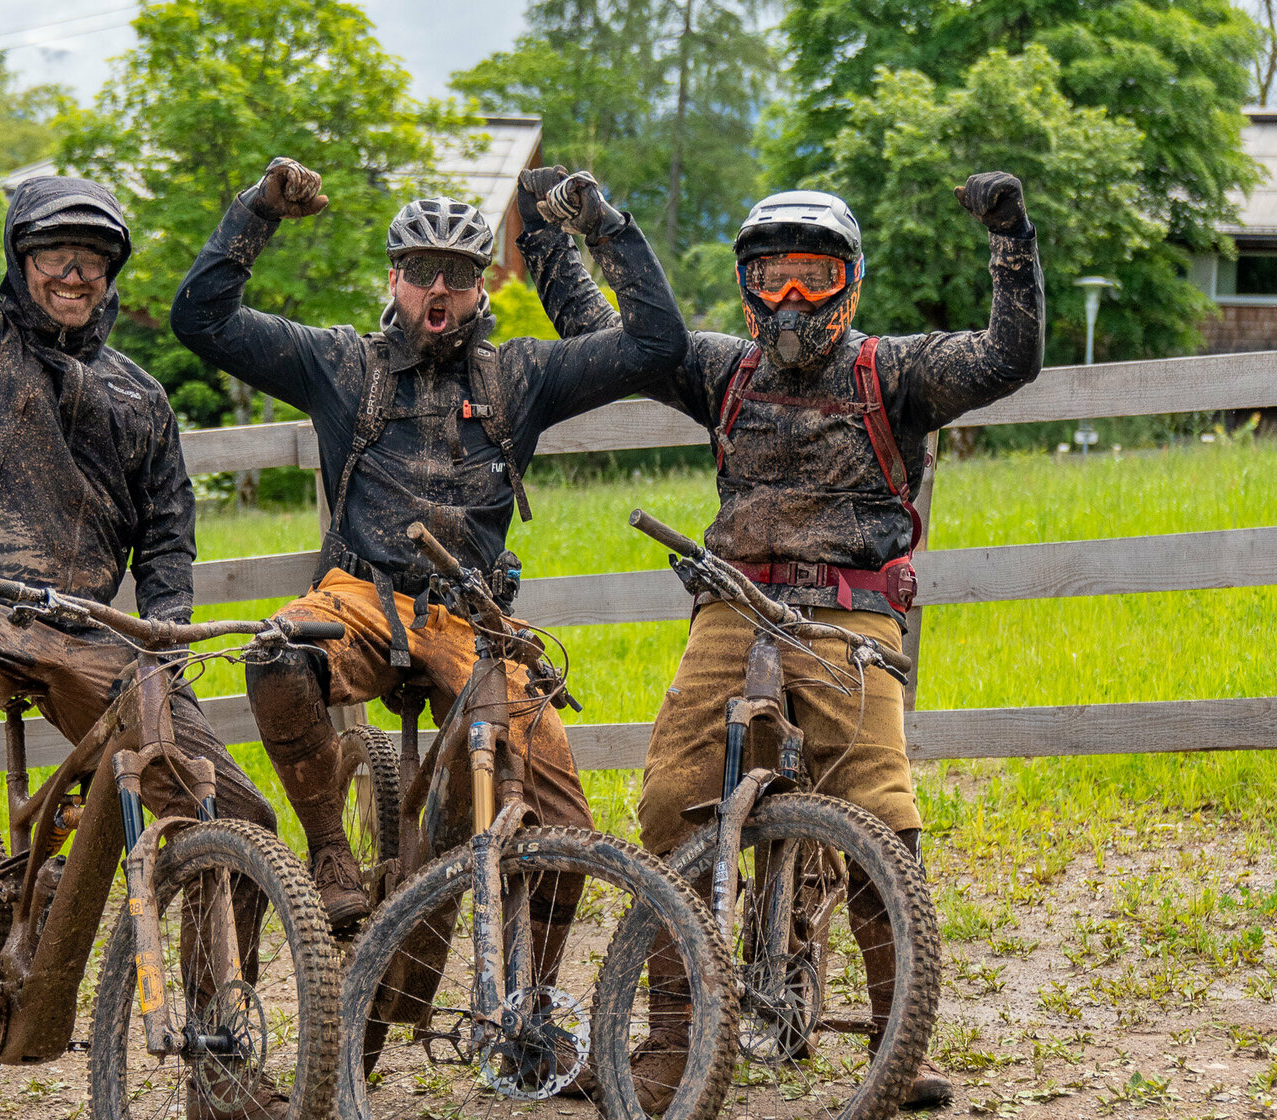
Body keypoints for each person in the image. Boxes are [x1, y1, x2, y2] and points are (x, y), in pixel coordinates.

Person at [520, 171, 1045, 1110]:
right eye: (772, 277)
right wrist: (555, 228)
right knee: (672, 800)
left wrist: (1012, 237)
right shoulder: (723, 369)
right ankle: (672, 1037)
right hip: (733, 604)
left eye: (812, 275)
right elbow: (613, 337)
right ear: (745, 285)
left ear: (848, 280)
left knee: (881, 815)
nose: (792, 299)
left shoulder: (896, 371)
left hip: (850, 615)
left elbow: (1011, 356)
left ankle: (898, 1034)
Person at [169, 159, 687, 944]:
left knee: (567, 833)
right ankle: (331, 854)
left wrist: (600, 231)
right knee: (277, 654)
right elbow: (199, 320)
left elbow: (656, 345)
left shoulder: (521, 374)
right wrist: (257, 211)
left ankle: (534, 1023)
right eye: (419, 272)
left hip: (473, 622)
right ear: (394, 277)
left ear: (481, 286)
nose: (436, 289)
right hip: (361, 600)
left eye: (456, 273)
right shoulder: (343, 365)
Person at [0, 0, 275, 1015]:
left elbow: (170, 537)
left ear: (110, 276)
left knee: (240, 815)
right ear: (20, 262)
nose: (72, 269)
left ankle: (216, 1032)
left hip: (95, 630)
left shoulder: (142, 398)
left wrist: (168, 637)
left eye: (91, 257)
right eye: (53, 252)